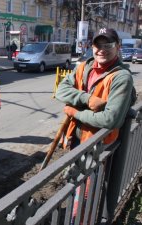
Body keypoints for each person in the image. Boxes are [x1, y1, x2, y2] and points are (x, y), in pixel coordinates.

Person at [55, 28, 135, 223]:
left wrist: (75, 112)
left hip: (97, 145)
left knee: (85, 192)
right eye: (97, 45)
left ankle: (79, 220)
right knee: (76, 186)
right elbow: (61, 91)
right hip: (77, 139)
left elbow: (111, 120)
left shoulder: (121, 77)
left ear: (118, 47)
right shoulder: (84, 67)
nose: (101, 50)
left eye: (107, 45)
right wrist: (87, 98)